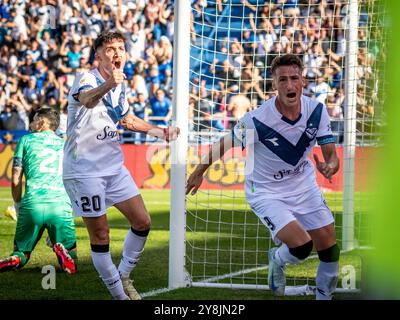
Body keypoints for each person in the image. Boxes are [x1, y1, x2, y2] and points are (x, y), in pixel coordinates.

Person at [187, 54, 340, 300]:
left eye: (294, 78)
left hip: (304, 186)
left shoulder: (317, 111)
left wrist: (331, 166)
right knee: (301, 246)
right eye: (283, 80)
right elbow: (223, 145)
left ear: (303, 81)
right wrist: (198, 172)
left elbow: (331, 155)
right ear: (274, 85)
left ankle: (324, 296)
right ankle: (277, 259)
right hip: (267, 191)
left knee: (330, 249)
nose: (289, 85)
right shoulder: (257, 120)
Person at [63, 31, 179, 300]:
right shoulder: (87, 79)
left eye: (120, 48)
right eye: (110, 48)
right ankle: (120, 296)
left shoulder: (121, 85)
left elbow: (126, 119)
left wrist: (159, 132)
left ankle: (124, 275)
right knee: (101, 234)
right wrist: (109, 84)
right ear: (98, 55)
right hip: (85, 170)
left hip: (114, 167)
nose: (116, 53)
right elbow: (87, 100)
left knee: (142, 221)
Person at [0, 108, 77, 274]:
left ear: (42, 123)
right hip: (59, 205)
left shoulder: (25, 140)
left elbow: (15, 179)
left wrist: (18, 205)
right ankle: (62, 251)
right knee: (72, 257)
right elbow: (74, 179)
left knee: (21, 253)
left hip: (32, 204)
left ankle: (15, 259)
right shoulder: (65, 144)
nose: (32, 124)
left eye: (34, 120)